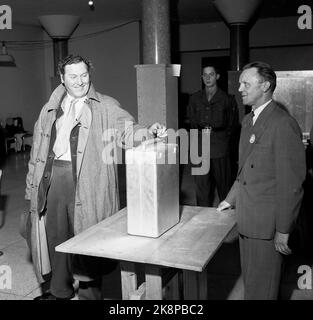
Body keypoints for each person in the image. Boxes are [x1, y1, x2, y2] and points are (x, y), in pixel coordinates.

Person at [23, 54, 166, 300]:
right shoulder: (49, 109)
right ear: (62, 78)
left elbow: (128, 130)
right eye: (73, 76)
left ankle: (91, 296)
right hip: (51, 181)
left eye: (84, 75)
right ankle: (60, 292)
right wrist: (30, 191)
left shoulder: (106, 105)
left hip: (87, 186)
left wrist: (147, 132)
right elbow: (36, 152)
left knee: (87, 243)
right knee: (56, 240)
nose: (79, 81)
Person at [217, 61, 306, 300]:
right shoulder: (249, 121)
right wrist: (230, 200)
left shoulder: (282, 124)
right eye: (240, 83)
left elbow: (292, 184)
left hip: (267, 225)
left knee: (263, 290)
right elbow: (244, 170)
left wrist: (283, 229)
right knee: (252, 284)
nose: (240, 88)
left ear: (265, 85)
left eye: (246, 83)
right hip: (248, 220)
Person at [187, 64, 238, 206]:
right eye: (205, 74)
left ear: (217, 76)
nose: (208, 77)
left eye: (211, 74)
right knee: (202, 188)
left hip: (220, 147)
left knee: (224, 186)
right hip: (200, 147)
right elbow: (192, 122)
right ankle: (202, 216)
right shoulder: (195, 98)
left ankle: (226, 219)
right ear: (202, 77)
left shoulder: (227, 99)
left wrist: (223, 141)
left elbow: (232, 125)